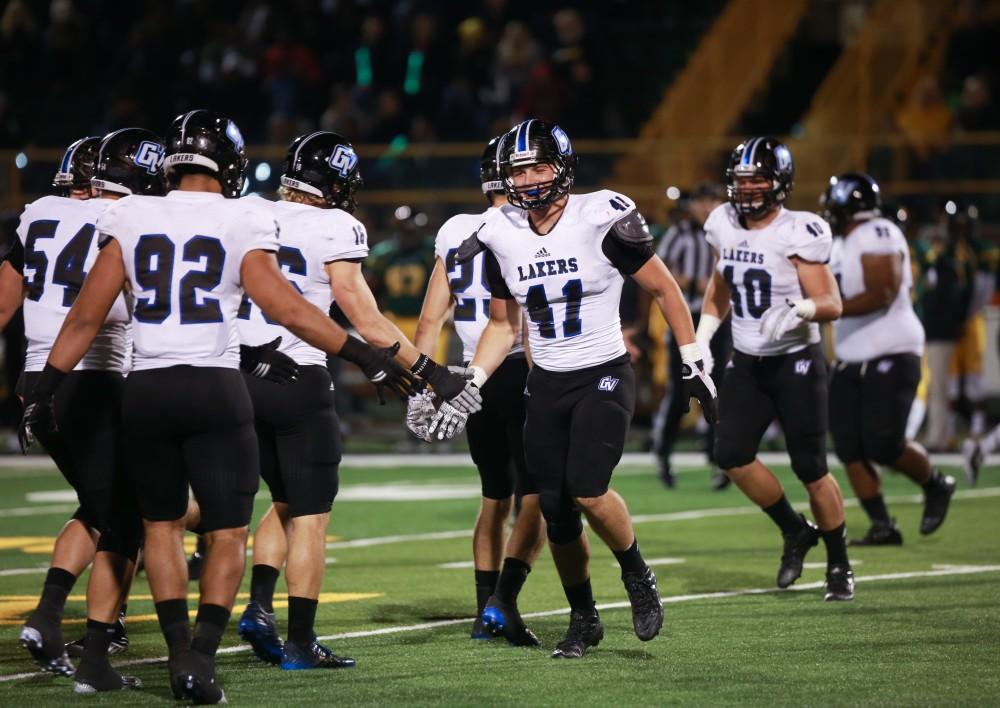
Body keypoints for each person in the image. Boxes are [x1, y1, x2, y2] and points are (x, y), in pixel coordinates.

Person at [18, 109, 419, 704]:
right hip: (213, 386)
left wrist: (42, 388)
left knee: (157, 526)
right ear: (228, 165)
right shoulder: (245, 213)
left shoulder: (129, 214)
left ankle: (177, 650)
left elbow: (85, 315)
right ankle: (199, 662)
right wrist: (363, 354)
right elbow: (284, 308)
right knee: (229, 533)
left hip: (146, 390)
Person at [427, 119, 717, 658]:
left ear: (563, 168)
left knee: (587, 486)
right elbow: (500, 326)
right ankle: (583, 617)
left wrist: (693, 356)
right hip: (547, 383)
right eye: (519, 170)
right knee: (555, 511)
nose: (530, 179)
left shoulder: (597, 217)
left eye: (539, 166)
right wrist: (476, 378)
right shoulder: (500, 233)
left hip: (602, 372)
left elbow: (665, 289)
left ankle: (637, 574)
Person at [235, 131, 473, 669]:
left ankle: (256, 609)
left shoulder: (247, 213)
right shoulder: (337, 225)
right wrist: (431, 372)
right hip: (297, 376)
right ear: (335, 182)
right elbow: (364, 319)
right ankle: (299, 643)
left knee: (282, 500)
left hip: (238, 372)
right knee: (312, 513)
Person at [4, 131, 162, 689]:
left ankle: (58, 621)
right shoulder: (128, 220)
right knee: (127, 516)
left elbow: (5, 302)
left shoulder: (36, 214)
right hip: (92, 378)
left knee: (99, 506)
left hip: (36, 381)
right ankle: (84, 643)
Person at [698, 137, 853, 601]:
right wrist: (701, 339)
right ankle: (794, 529)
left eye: (758, 180)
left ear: (779, 183)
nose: (747, 190)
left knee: (810, 467)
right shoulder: (723, 223)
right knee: (731, 454)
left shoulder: (798, 231)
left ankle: (840, 564)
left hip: (797, 360)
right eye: (741, 181)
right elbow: (719, 285)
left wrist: (802, 309)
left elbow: (832, 303)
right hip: (746, 360)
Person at [410, 135, 545, 645]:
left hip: (468, 374)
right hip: (519, 369)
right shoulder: (531, 226)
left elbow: (430, 318)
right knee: (539, 496)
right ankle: (502, 602)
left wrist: (423, 384)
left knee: (494, 497)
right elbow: (523, 321)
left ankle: (482, 609)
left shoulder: (456, 230)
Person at [823, 172, 955, 546]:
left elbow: (882, 292)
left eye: (835, 205)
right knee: (849, 445)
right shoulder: (840, 241)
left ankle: (936, 484)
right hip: (850, 357)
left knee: (884, 442)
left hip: (892, 350)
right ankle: (882, 524)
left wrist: (825, 309)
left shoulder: (877, 232)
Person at [651, 182, 731, 489]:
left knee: (717, 390)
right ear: (693, 205)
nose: (709, 207)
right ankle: (664, 453)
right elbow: (660, 275)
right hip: (685, 320)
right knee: (679, 391)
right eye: (704, 201)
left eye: (714, 200)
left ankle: (717, 459)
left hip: (717, 321)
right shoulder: (678, 235)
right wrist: (696, 285)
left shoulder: (728, 232)